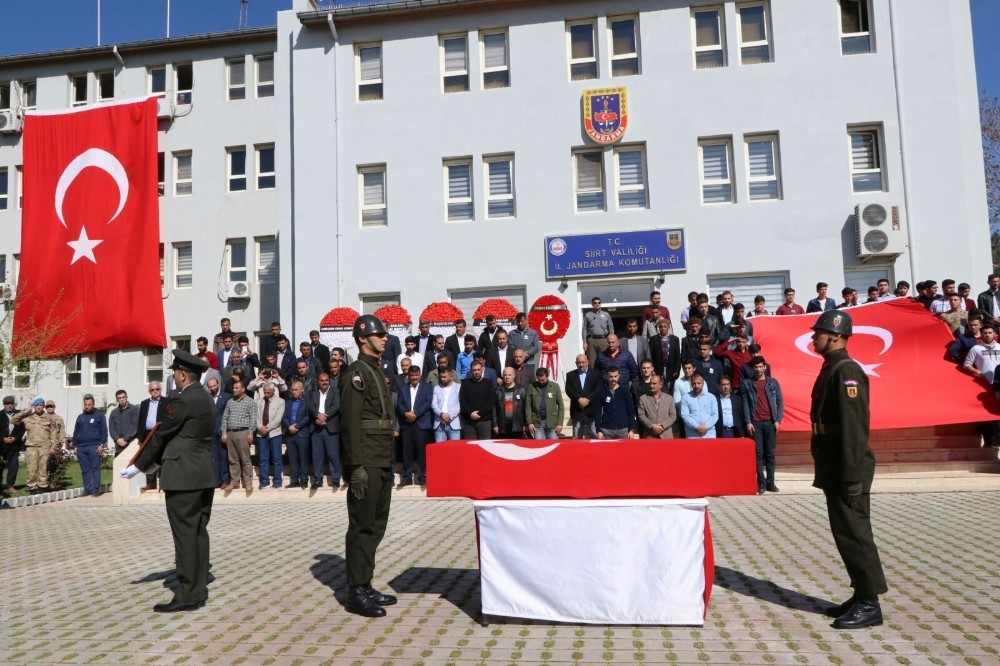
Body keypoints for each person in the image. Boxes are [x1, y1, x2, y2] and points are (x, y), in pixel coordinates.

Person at [808, 310, 888, 629]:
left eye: (819, 333)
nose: (814, 337)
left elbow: (854, 430)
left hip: (847, 467)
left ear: (836, 336)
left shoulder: (847, 370)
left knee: (855, 534)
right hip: (835, 464)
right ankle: (860, 594)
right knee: (845, 532)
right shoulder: (832, 367)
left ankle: (870, 603)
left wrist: (852, 477)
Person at [121, 350, 216, 613]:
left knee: (185, 535)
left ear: (183, 375)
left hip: (183, 476)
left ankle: (187, 594)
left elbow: (161, 434)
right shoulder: (206, 398)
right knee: (198, 533)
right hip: (203, 473)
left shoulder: (183, 400)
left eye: (175, 373)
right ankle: (197, 590)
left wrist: (138, 466)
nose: (173, 377)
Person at [339, 315, 398, 618]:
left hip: (382, 458)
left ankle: (365, 583)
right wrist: (355, 466)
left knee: (377, 524)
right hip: (367, 462)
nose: (384, 338)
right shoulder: (356, 374)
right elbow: (349, 424)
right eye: (379, 334)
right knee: (362, 526)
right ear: (363, 338)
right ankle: (355, 592)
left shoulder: (375, 371)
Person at [741, 356, 784, 495]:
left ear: (765, 367)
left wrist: (777, 420)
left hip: (770, 423)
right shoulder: (748, 383)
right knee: (758, 454)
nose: (758, 369)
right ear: (752, 369)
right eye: (756, 367)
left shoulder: (773, 382)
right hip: (756, 424)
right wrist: (748, 421)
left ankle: (771, 482)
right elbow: (746, 403)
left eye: (760, 366)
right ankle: (762, 483)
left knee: (770, 454)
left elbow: (780, 402)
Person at [394, 365, 433, 486]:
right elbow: (399, 404)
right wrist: (406, 413)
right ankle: (407, 477)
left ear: (420, 375)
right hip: (407, 423)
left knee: (421, 451)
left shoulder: (427, 387)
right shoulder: (403, 388)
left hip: (421, 423)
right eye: (412, 375)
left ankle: (422, 476)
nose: (414, 377)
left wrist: (415, 414)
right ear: (409, 376)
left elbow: (428, 402)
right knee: (407, 451)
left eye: (416, 375)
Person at [12, 397, 56, 493]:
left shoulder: (49, 418)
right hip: (31, 447)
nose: (39, 407)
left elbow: (53, 433)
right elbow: (13, 420)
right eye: (37, 405)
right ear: (34, 406)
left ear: (43, 406)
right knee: (32, 468)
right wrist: (24, 412)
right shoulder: (28, 417)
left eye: (41, 405)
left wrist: (53, 447)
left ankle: (43, 486)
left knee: (43, 468)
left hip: (45, 446)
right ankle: (32, 487)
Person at [220, 379, 257, 492]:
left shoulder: (250, 402)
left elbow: (253, 419)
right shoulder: (230, 401)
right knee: (233, 459)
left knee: (245, 459)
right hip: (231, 433)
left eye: (237, 388)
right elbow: (225, 417)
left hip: (243, 432)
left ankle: (248, 482)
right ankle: (234, 482)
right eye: (233, 388)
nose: (234, 390)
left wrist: (250, 433)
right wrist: (224, 433)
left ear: (243, 389)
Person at [310, 372, 342, 490]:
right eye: (322, 380)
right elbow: (311, 407)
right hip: (317, 428)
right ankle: (317, 480)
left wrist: (325, 415)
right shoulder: (313, 393)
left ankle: (335, 479)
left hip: (330, 428)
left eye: (326, 380)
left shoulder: (335, 392)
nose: (324, 382)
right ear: (318, 382)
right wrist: (317, 416)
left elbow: (336, 406)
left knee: (333, 455)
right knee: (317, 456)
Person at [71, 394, 108, 497]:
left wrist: (102, 445)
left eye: (89, 404)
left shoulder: (99, 416)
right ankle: (87, 489)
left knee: (95, 468)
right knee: (85, 470)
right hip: (81, 447)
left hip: (94, 446)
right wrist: (75, 445)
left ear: (93, 404)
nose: (87, 406)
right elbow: (76, 432)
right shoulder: (80, 417)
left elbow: (104, 431)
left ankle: (96, 490)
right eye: (86, 404)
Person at [253, 382, 285, 489]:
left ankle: (277, 481)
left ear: (273, 391)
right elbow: (255, 416)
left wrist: (268, 428)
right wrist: (260, 427)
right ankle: (264, 481)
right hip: (261, 433)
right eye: (265, 392)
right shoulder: (259, 401)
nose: (266, 394)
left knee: (277, 458)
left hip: (275, 433)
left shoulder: (280, 401)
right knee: (263, 459)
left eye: (268, 393)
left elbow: (278, 418)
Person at [282, 380, 311, 490]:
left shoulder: (307, 401)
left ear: (302, 390)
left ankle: (304, 480)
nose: (293, 392)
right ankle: (294, 480)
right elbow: (284, 417)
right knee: (293, 458)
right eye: (292, 390)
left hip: (302, 433)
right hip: (290, 433)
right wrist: (289, 426)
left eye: (296, 390)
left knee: (303, 458)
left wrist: (297, 426)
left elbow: (308, 417)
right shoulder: (288, 402)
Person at [137, 382, 165, 492]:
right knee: (148, 458)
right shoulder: (144, 403)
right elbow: (141, 421)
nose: (155, 391)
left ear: (160, 389)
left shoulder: (166, 402)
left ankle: (163, 483)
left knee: (161, 458)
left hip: (160, 433)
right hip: (147, 434)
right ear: (149, 391)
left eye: (157, 389)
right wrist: (140, 439)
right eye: (153, 389)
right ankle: (151, 483)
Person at [594, 367, 635, 439]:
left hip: (623, 430)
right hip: (607, 430)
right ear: (607, 376)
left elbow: (630, 411)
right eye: (611, 376)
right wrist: (598, 430)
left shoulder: (625, 392)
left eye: (615, 376)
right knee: (607, 450)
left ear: (619, 376)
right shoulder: (601, 392)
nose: (613, 379)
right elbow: (598, 412)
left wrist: (631, 429)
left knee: (623, 450)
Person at [205, 377, 231, 489]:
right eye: (210, 386)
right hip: (211, 431)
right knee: (214, 457)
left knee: (224, 456)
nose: (212, 388)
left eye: (214, 386)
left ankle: (225, 480)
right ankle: (217, 480)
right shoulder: (207, 397)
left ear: (218, 384)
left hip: (223, 430)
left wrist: (226, 431)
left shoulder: (226, 396)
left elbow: (229, 414)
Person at [565, 354, 599, 439]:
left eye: (583, 362)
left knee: (594, 436)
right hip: (577, 410)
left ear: (587, 362)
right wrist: (579, 399)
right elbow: (568, 389)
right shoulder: (570, 375)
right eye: (579, 363)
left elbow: (598, 388)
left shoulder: (596, 374)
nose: (581, 365)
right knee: (577, 437)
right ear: (576, 363)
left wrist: (588, 399)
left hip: (592, 410)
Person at [459, 361, 495, 439]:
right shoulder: (465, 384)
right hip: (468, 421)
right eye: (474, 370)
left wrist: (479, 413)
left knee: (484, 446)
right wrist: (470, 414)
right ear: (471, 371)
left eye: (478, 370)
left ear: (482, 370)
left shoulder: (488, 383)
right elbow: (462, 401)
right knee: (470, 447)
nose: (477, 372)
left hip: (484, 420)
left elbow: (491, 401)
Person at [526, 367, 564, 439]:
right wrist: (529, 422)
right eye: (539, 380)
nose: (541, 382)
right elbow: (528, 406)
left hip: (552, 422)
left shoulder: (555, 386)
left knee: (554, 444)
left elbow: (561, 406)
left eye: (543, 380)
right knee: (539, 446)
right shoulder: (532, 387)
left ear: (547, 376)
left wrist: (560, 423)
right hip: (537, 422)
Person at [637, 374, 676, 439]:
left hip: (666, 435)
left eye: (654, 383)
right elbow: (641, 415)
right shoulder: (643, 398)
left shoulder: (669, 398)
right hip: (650, 435)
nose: (651, 385)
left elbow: (673, 416)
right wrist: (652, 426)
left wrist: (662, 426)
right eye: (650, 383)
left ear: (660, 385)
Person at [679, 374, 718, 439]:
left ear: (703, 383)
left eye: (699, 383)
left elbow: (715, 415)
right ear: (691, 384)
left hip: (709, 433)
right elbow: (685, 415)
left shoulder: (711, 397)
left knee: (710, 449)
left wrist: (706, 427)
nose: (696, 386)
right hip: (692, 434)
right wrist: (697, 426)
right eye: (694, 383)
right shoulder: (685, 398)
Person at [493, 367, 528, 438]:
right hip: (503, 425)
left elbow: (526, 408)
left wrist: (526, 423)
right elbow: (494, 409)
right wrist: (495, 425)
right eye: (505, 375)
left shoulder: (522, 390)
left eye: (509, 375)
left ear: (514, 375)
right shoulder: (497, 390)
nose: (507, 377)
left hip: (517, 425)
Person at [431, 366, 462, 441]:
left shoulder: (459, 387)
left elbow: (459, 405)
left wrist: (449, 417)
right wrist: (442, 415)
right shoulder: (437, 388)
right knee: (440, 451)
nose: (442, 379)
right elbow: (434, 404)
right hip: (439, 423)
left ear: (451, 377)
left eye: (444, 377)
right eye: (441, 377)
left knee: (454, 450)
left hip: (453, 423)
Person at [582, 297, 613, 368]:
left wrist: (610, 340)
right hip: (592, 340)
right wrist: (584, 342)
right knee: (592, 362)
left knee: (605, 360)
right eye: (595, 303)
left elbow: (611, 328)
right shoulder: (588, 315)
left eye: (599, 303)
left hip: (603, 340)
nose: (597, 304)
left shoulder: (606, 315)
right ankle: (593, 377)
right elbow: (584, 329)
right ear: (592, 304)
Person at [108, 390, 139, 457]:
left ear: (126, 397)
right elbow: (111, 428)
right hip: (118, 443)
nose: (121, 400)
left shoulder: (134, 409)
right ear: (117, 399)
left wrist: (125, 439)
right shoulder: (114, 412)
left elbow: (135, 426)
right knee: (118, 464)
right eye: (119, 398)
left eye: (123, 397)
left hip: (131, 441)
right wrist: (117, 439)